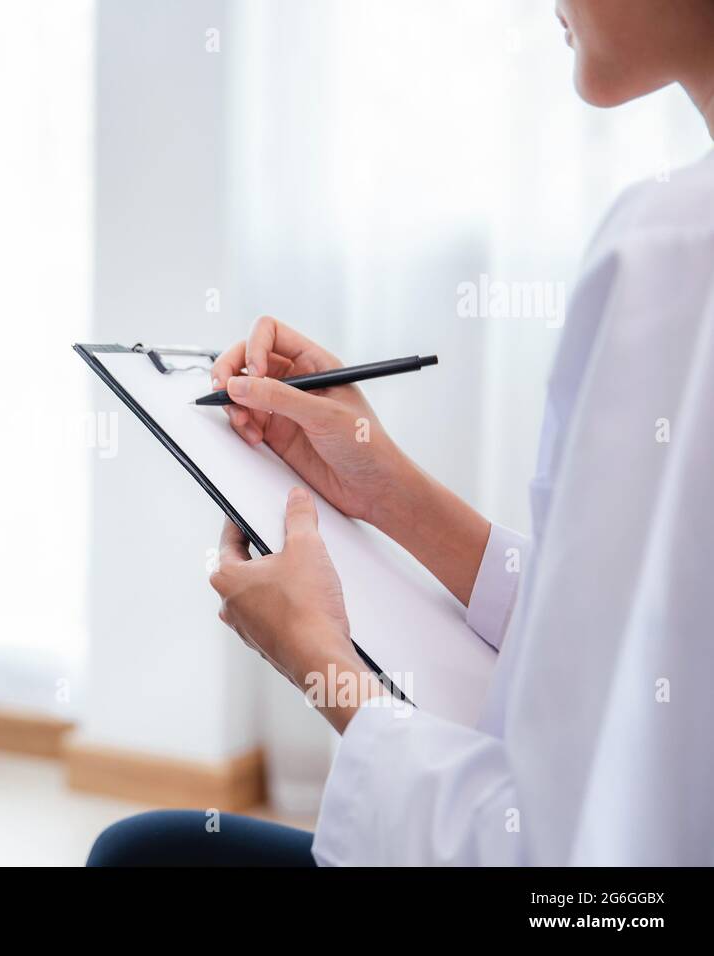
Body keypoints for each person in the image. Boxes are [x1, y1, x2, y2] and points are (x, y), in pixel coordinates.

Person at [89, 0, 714, 866]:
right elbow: (638, 650)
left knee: (146, 856)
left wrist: (327, 670)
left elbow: (568, 872)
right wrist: (394, 495)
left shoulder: (673, 251)